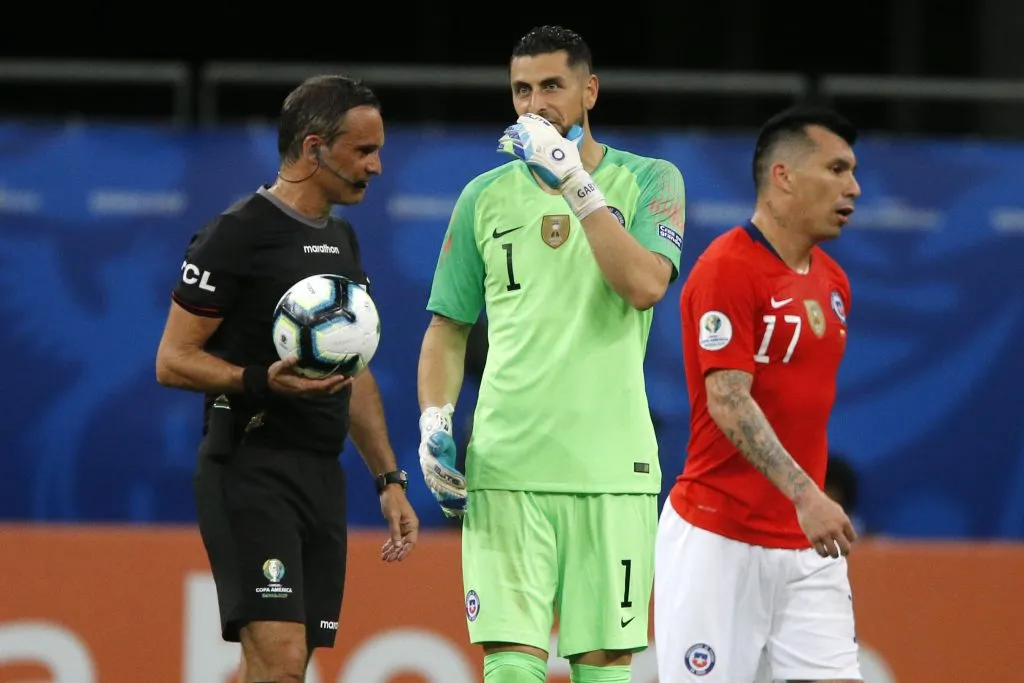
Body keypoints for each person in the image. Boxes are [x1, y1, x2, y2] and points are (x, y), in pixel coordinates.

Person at [416, 25, 687, 683]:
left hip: (612, 468)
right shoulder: (482, 196)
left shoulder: (651, 179)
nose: (535, 105)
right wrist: (434, 424)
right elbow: (447, 332)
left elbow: (645, 285)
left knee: (603, 668)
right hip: (506, 464)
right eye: (521, 90)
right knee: (510, 665)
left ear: (589, 91)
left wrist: (575, 183)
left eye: (552, 87)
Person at [154, 74, 418, 683]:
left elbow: (355, 372)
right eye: (364, 150)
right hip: (249, 466)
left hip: (319, 476)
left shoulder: (343, 240)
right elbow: (172, 359)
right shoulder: (236, 234)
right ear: (313, 148)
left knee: (282, 665)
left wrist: (389, 478)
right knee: (277, 661)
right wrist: (260, 381)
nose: (377, 167)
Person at [654, 105, 863, 682]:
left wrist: (804, 505)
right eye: (838, 168)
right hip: (717, 542)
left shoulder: (834, 283)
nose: (854, 187)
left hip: (806, 551)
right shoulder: (726, 269)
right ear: (784, 177)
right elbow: (728, 400)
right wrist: (806, 494)